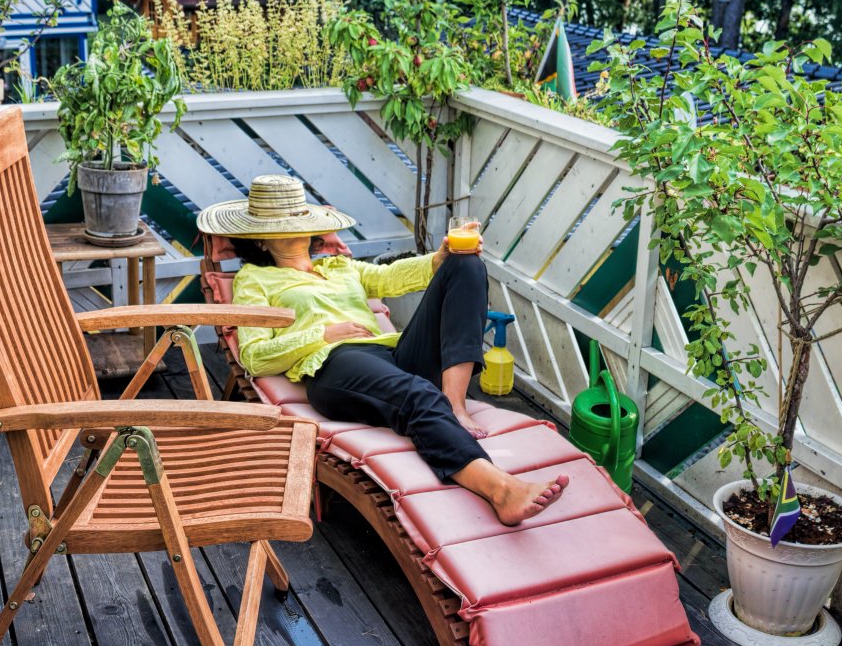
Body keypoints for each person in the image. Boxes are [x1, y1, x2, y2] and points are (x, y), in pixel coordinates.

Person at [198, 175, 568, 526]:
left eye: (297, 220)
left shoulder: (340, 267)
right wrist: (323, 333)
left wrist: (439, 258)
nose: (293, 229)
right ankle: (500, 488)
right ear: (261, 240)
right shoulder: (254, 279)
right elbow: (255, 356)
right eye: (280, 226)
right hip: (335, 365)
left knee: (465, 263)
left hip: (391, 354)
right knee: (417, 394)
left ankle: (454, 404)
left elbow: (390, 278)